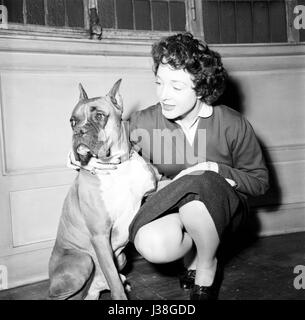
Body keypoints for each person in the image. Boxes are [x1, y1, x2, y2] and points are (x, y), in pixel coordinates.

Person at [69, 32, 269, 300]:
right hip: (172, 204)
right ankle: (194, 251)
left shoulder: (232, 123)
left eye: (176, 87)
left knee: (200, 187)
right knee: (152, 243)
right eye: (159, 83)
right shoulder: (144, 121)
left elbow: (259, 182)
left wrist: (215, 168)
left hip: (223, 210)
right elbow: (107, 138)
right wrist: (80, 155)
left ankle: (207, 263)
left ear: (201, 87)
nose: (163, 95)